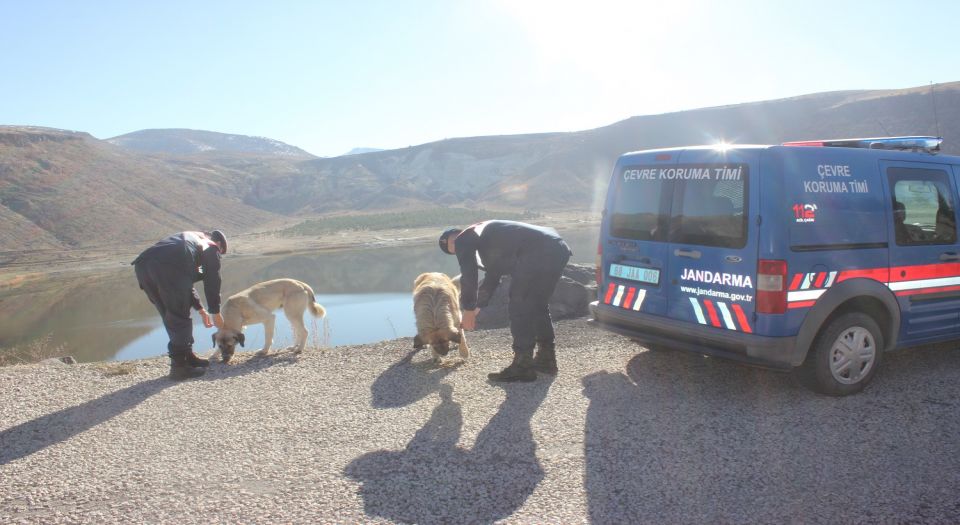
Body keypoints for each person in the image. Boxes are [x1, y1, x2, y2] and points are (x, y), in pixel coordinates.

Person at [439, 220, 572, 382]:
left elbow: (469, 274)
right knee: (538, 304)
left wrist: (468, 309)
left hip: (536, 253)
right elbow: (492, 277)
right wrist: (478, 306)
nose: (454, 245)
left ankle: (523, 366)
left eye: (451, 244)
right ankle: (546, 359)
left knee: (519, 306)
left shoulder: (464, 237)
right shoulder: (490, 238)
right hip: (558, 248)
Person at [132, 230, 227, 380]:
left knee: (170, 315)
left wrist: (201, 309)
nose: (218, 256)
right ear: (219, 244)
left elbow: (187, 281)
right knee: (179, 317)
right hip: (167, 268)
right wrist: (215, 311)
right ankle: (179, 369)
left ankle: (187, 357)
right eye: (220, 253)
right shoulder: (211, 246)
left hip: (143, 267)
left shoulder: (192, 241)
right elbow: (212, 281)